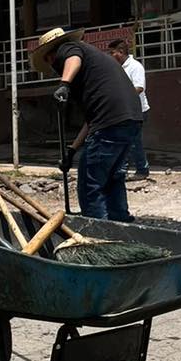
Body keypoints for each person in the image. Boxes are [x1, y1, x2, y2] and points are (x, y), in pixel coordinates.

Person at [33, 26, 143, 221]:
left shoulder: (69, 49)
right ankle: (121, 225)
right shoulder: (90, 63)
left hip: (111, 120)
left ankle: (97, 233)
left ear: (50, 56)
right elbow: (91, 121)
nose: (52, 66)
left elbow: (72, 58)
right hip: (129, 118)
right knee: (113, 177)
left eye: (50, 62)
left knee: (90, 181)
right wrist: (72, 150)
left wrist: (64, 84)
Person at [108, 38, 150, 178]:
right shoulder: (118, 68)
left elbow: (139, 87)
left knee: (133, 142)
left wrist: (121, 95)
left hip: (137, 110)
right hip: (124, 111)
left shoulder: (135, 66)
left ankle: (142, 170)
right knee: (124, 141)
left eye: (112, 53)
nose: (111, 56)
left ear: (120, 52)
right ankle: (123, 170)